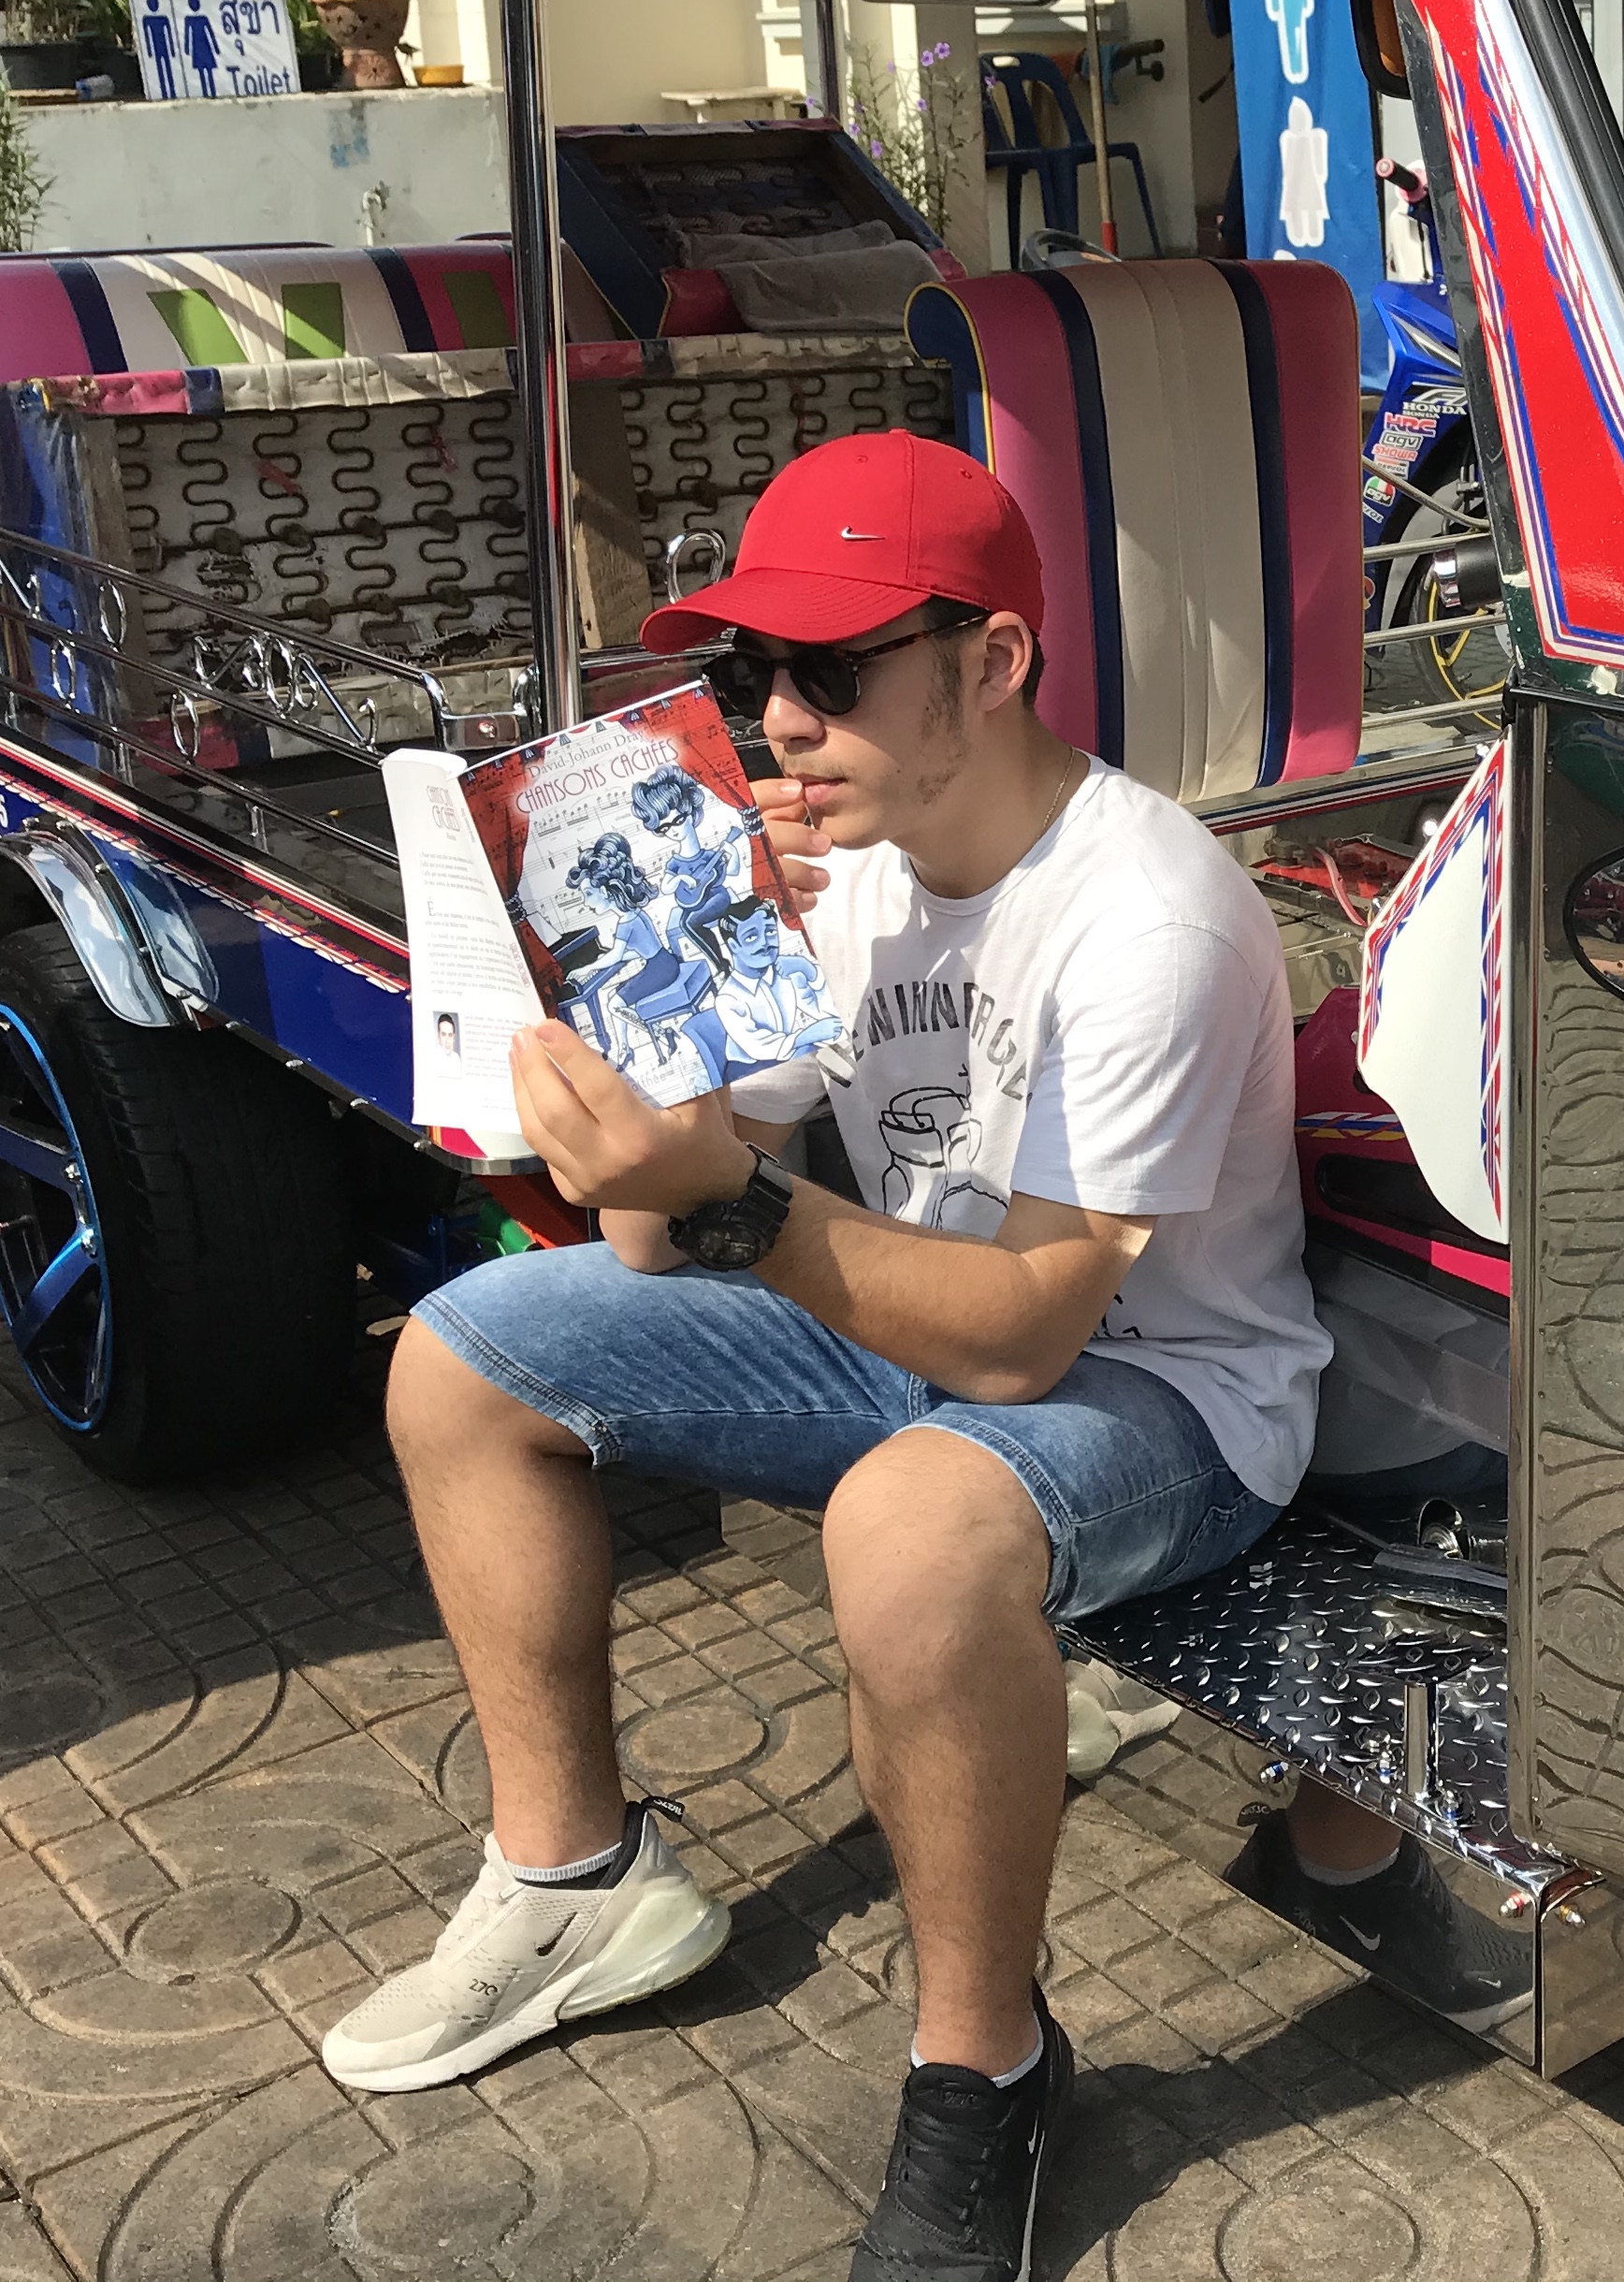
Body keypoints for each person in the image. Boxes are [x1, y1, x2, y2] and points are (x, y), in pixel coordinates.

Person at [318, 431, 1334, 2282]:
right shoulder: (844, 874)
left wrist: (738, 1206)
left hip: (1165, 1395)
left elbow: (1028, 1335)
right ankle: (574, 1882)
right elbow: (646, 1244)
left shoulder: (1149, 912)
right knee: (463, 1358)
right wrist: (661, 1009)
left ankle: (985, 2068)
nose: (780, 721)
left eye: (834, 669)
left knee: (911, 1521)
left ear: (997, 662)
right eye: (747, 676)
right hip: (913, 1341)